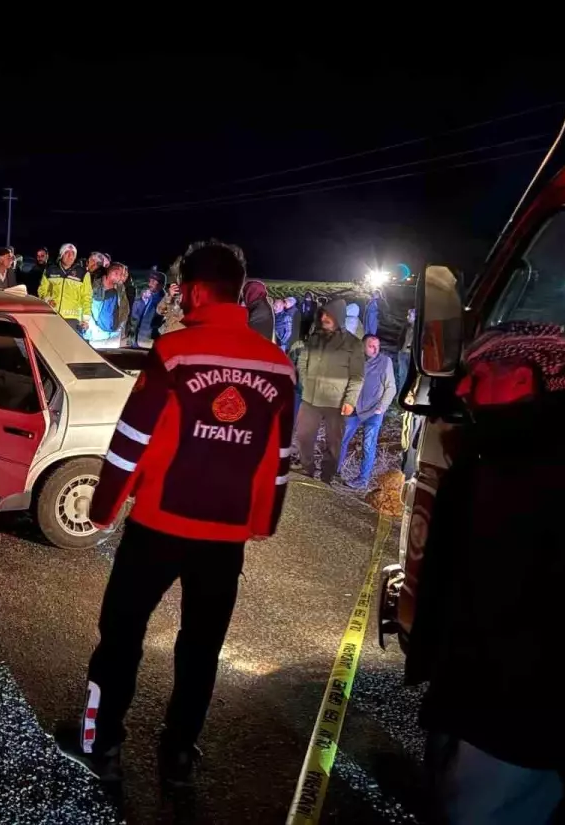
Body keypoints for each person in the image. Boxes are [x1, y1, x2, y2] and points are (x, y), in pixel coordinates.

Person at [54, 239, 295, 787]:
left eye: (185, 288)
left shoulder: (174, 352)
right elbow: (277, 457)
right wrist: (262, 520)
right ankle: (180, 753)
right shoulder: (279, 366)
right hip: (224, 536)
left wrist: (103, 504)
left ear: (198, 290)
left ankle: (102, 744)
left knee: (121, 633)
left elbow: (133, 437)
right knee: (201, 647)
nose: (181, 298)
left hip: (158, 526)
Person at [408, 324, 565, 824]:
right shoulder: (500, 459)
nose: (462, 390)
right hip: (480, 694)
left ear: (529, 380)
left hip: (520, 715)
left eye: (480, 376)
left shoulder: (552, 476)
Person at [294, 299, 364, 483]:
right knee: (303, 436)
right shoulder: (314, 338)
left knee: (333, 443)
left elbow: (357, 376)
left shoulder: (353, 344)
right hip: (310, 398)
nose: (324, 318)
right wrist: (305, 382)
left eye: (328, 314)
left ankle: (326, 477)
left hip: (336, 401)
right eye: (322, 314)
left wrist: (350, 401)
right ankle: (307, 468)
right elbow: (302, 362)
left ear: (338, 317)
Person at [339, 334, 396, 489]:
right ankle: (334, 471)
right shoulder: (355, 360)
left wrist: (382, 407)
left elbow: (391, 387)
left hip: (374, 410)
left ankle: (362, 480)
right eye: (371, 346)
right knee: (342, 439)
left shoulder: (385, 362)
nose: (375, 349)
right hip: (355, 408)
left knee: (368, 445)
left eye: (377, 346)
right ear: (363, 346)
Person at [38, 243, 92, 334]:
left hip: (73, 320)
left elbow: (87, 297)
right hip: (52, 316)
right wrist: (47, 300)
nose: (70, 255)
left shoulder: (83, 273)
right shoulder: (49, 270)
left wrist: (86, 320)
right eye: (67, 252)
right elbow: (41, 290)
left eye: (73, 253)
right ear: (61, 254)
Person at [88, 263, 130, 348]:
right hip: (96, 334)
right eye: (117, 273)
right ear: (110, 272)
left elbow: (125, 309)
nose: (119, 277)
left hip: (114, 335)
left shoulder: (120, 289)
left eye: (121, 274)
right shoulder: (94, 285)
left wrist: (120, 328)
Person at [129, 270, 166, 348]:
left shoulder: (163, 300)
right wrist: (142, 301)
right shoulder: (148, 296)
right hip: (138, 340)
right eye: (149, 281)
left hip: (149, 342)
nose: (149, 283)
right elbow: (135, 315)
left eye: (153, 281)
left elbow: (158, 322)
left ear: (161, 284)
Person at [397, 307, 416, 397]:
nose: (407, 317)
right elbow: (401, 338)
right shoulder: (406, 327)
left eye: (410, 315)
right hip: (403, 353)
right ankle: (401, 395)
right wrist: (399, 349)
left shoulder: (419, 329)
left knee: (409, 376)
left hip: (411, 356)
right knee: (402, 375)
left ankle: (407, 395)